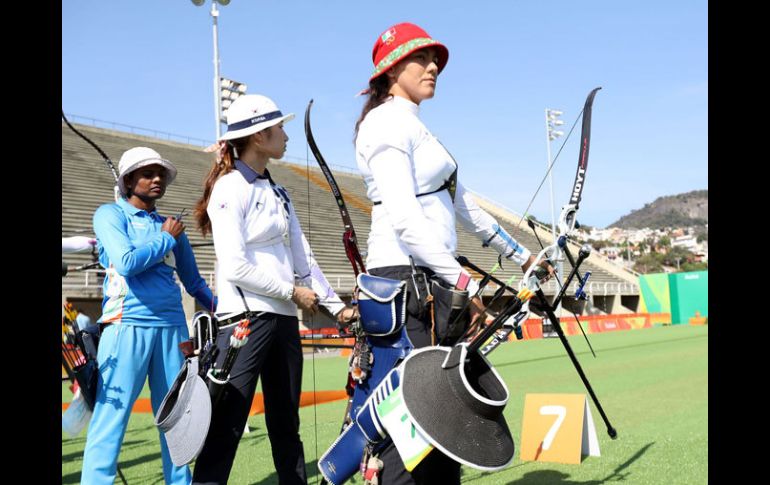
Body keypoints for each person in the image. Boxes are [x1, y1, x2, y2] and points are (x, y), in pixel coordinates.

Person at [354, 22, 554, 484]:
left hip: (430, 281)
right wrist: (461, 281)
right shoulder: (385, 123)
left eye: (435, 60)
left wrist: (522, 256)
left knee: (444, 422)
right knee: (413, 427)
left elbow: (465, 207)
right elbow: (404, 220)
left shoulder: (418, 129)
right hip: (406, 283)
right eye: (418, 59)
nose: (432, 67)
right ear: (389, 69)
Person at [192, 94, 357, 485]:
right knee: (226, 427)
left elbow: (305, 262)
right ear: (258, 136)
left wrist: (338, 308)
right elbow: (234, 266)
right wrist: (291, 291)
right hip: (244, 324)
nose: (286, 134)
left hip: (282, 321)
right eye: (279, 127)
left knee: (287, 423)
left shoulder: (279, 193)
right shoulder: (230, 189)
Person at [81, 146, 217, 485]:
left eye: (160, 174)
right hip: (126, 327)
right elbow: (127, 263)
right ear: (128, 181)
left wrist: (223, 309)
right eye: (147, 173)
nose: (157, 178)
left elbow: (194, 282)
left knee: (177, 424)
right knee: (109, 424)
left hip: (173, 331)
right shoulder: (110, 215)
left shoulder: (171, 227)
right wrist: (164, 239)